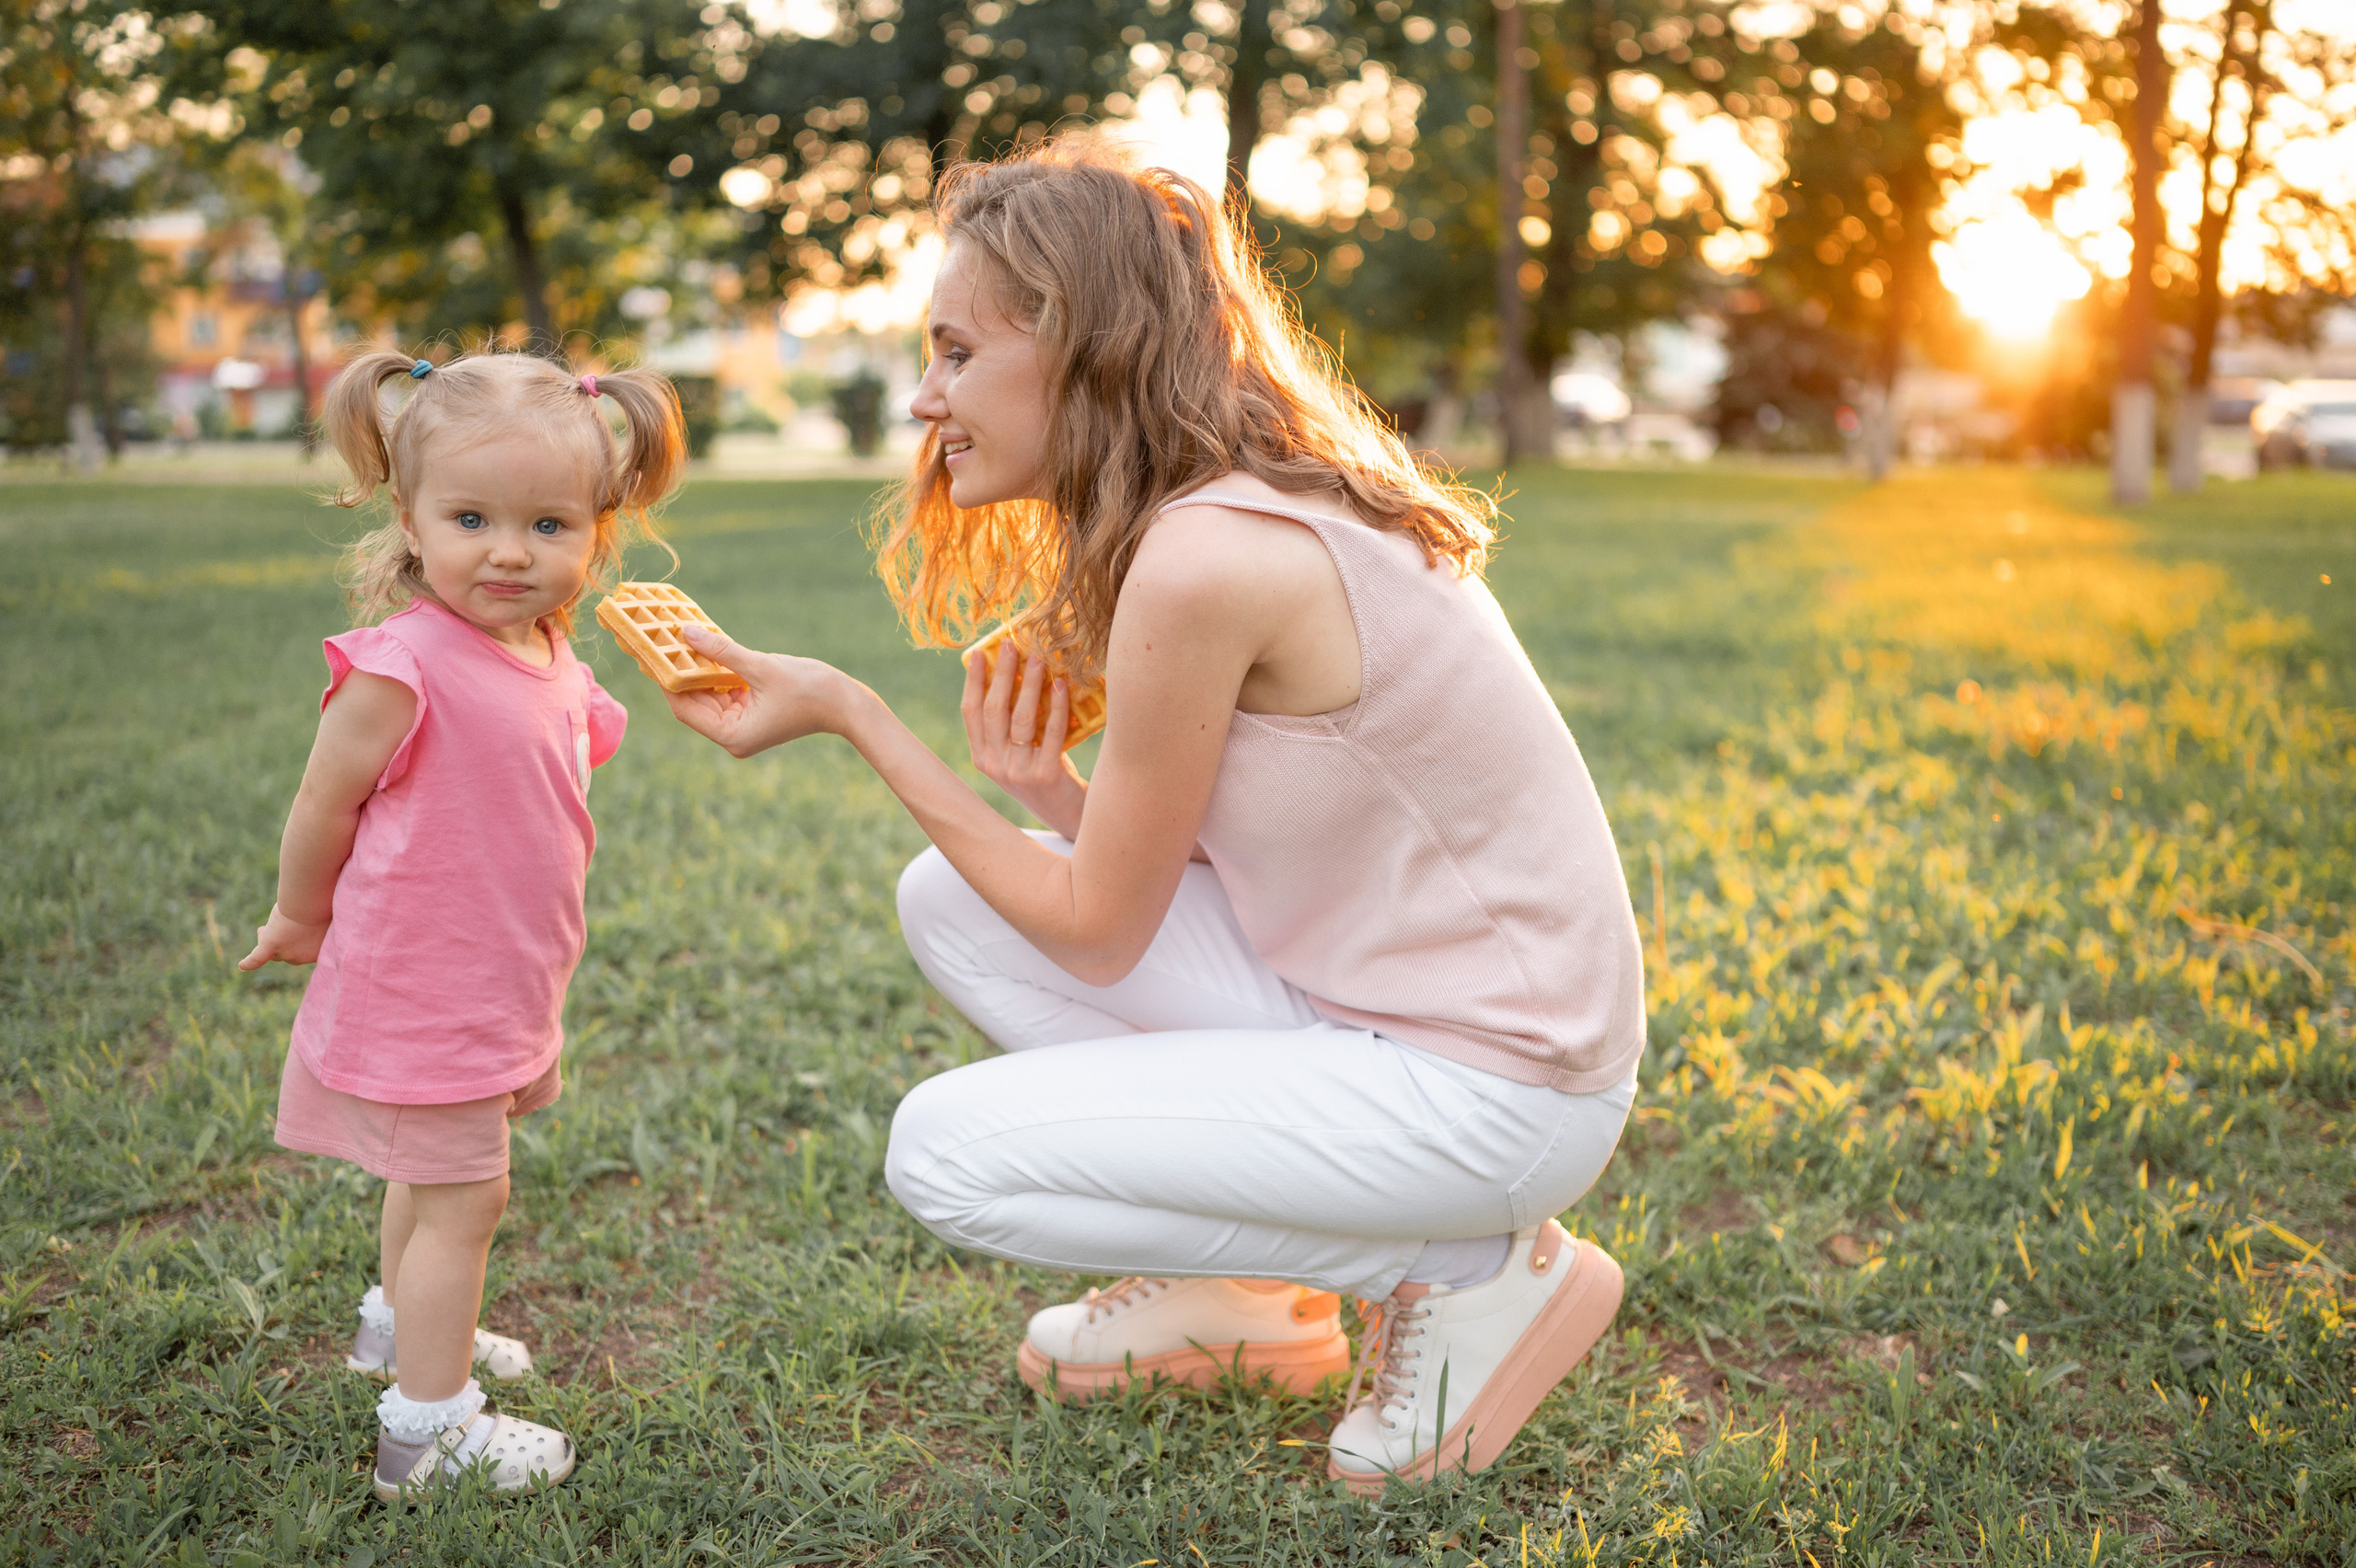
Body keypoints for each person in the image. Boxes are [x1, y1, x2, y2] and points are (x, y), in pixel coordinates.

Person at [664, 139, 1645, 1493]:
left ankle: (1469, 1268)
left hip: (1499, 1091)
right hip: (1388, 1019)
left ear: (1083, 345)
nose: (926, 397)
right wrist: (1045, 792)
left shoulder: (1206, 558)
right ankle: (1239, 1295)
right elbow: (1201, 868)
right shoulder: (1209, 516)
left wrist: (853, 713)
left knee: (943, 1156)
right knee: (947, 899)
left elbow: (1099, 932)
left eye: (957, 351)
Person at [239, 348, 685, 1503]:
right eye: (472, 519)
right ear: (410, 517)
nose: (509, 551)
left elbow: (551, 747)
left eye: (549, 525)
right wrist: (298, 912)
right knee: (465, 1200)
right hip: (422, 986)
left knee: (428, 1179)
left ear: (596, 532)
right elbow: (323, 801)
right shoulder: (402, 667)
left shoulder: (544, 647)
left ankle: (398, 1330)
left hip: (497, 977)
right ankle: (426, 1435)